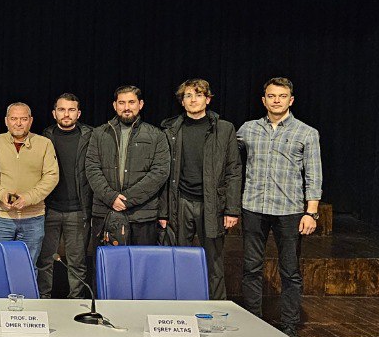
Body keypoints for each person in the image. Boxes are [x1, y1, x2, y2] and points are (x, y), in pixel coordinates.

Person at [237, 77, 322, 337]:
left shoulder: (306, 133)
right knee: (251, 268)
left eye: (282, 96)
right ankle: (253, 322)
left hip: (289, 210)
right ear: (263, 100)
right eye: (271, 96)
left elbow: (314, 174)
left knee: (290, 271)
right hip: (253, 206)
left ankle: (288, 325)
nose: (276, 100)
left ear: (291, 100)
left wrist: (311, 212)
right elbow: (229, 159)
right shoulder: (248, 130)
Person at [160, 79, 242, 300]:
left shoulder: (224, 129)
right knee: (179, 258)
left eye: (198, 95)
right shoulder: (170, 129)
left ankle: (217, 309)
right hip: (181, 201)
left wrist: (232, 209)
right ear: (182, 101)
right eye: (188, 95)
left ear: (207, 99)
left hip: (212, 204)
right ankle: (181, 307)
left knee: (213, 261)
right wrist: (164, 212)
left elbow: (233, 170)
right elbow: (163, 174)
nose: (193, 99)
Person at [86, 85, 170, 247]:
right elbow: (92, 168)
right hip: (106, 212)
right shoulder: (98, 134)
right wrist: (111, 198)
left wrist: (127, 200)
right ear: (114, 105)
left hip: (142, 214)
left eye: (131, 102)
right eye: (121, 102)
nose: (126, 107)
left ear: (141, 104)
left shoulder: (157, 135)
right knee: (108, 268)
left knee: (141, 267)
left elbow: (160, 172)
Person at [38, 94, 93, 299]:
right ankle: (44, 299)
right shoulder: (44, 138)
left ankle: (76, 301)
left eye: (71, 110)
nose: (66, 114)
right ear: (54, 113)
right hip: (49, 209)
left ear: (78, 113)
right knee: (45, 260)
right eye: (61, 109)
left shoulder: (91, 137)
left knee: (76, 262)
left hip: (78, 210)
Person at [0, 103, 58, 264]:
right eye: (13, 119)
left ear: (30, 121)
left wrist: (29, 197)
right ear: (6, 121)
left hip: (33, 218)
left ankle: (25, 291)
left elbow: (51, 176)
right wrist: (1, 194)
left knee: (27, 266)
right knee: (0, 265)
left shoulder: (44, 144)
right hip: (1, 218)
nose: (18, 123)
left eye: (23, 119)